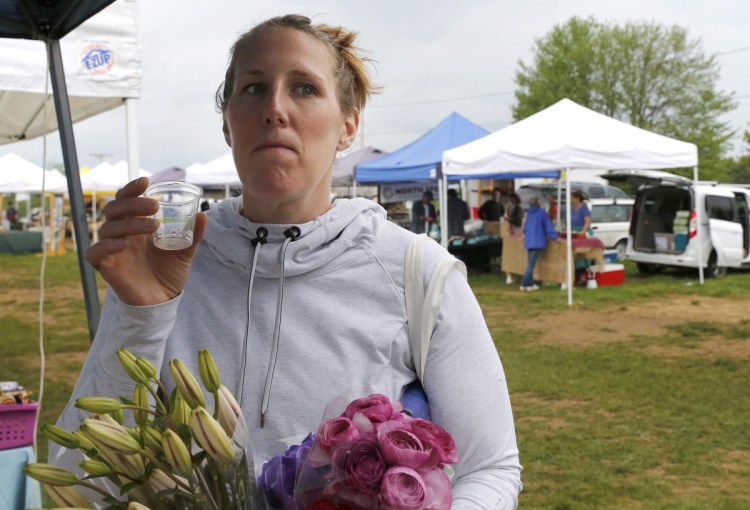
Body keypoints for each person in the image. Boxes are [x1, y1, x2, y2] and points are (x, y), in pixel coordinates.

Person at [53, 14, 521, 508]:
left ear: (348, 127)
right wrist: (141, 312)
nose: (275, 108)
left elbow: (489, 467)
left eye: (303, 88)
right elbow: (76, 478)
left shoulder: (416, 272)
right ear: (227, 125)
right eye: (254, 88)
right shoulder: (167, 260)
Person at [520, 196, 560, 291]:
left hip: (529, 241)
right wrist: (555, 237)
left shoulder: (528, 213)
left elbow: (525, 229)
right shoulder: (541, 213)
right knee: (531, 264)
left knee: (530, 263)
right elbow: (547, 226)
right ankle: (524, 284)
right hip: (537, 241)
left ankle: (530, 284)